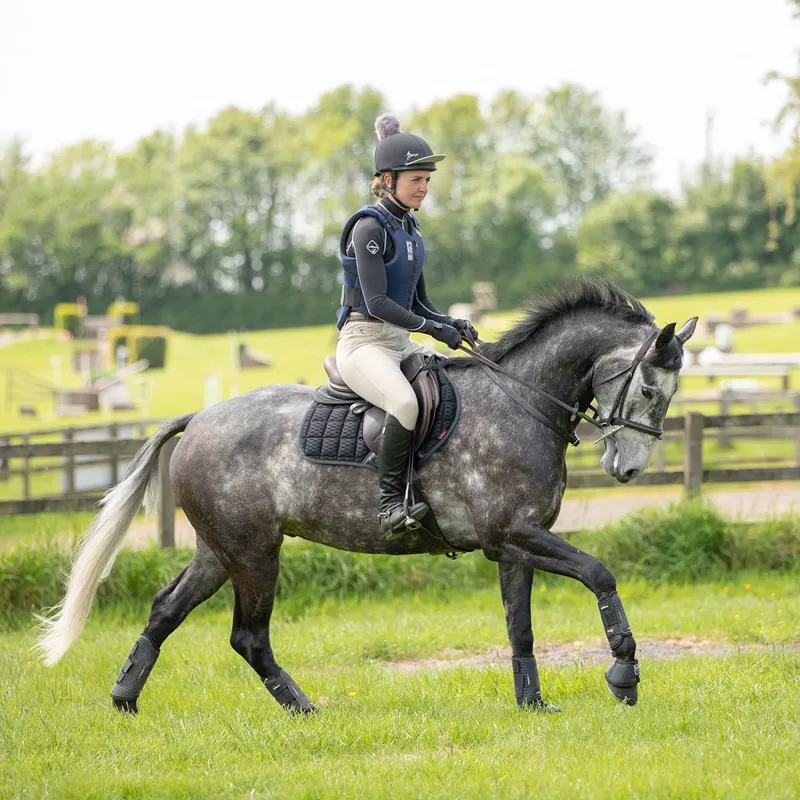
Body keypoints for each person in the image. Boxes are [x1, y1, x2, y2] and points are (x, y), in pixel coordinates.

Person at [336, 113, 479, 539]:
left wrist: (450, 322)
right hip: (364, 343)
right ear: (387, 179)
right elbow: (378, 303)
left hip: (399, 341)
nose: (424, 187)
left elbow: (418, 302)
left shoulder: (410, 229)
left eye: (428, 180)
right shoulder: (369, 227)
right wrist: (434, 331)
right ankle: (388, 506)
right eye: (417, 179)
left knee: (458, 385)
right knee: (405, 404)